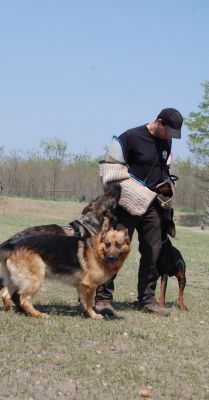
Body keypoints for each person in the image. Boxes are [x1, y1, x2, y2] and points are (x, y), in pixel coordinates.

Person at [95, 108, 183, 317]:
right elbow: (111, 169)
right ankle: (103, 299)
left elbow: (162, 169)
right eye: (168, 131)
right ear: (159, 121)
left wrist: (166, 185)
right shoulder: (131, 138)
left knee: (153, 252)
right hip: (127, 203)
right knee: (113, 249)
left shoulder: (166, 142)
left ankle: (147, 300)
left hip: (152, 205)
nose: (170, 137)